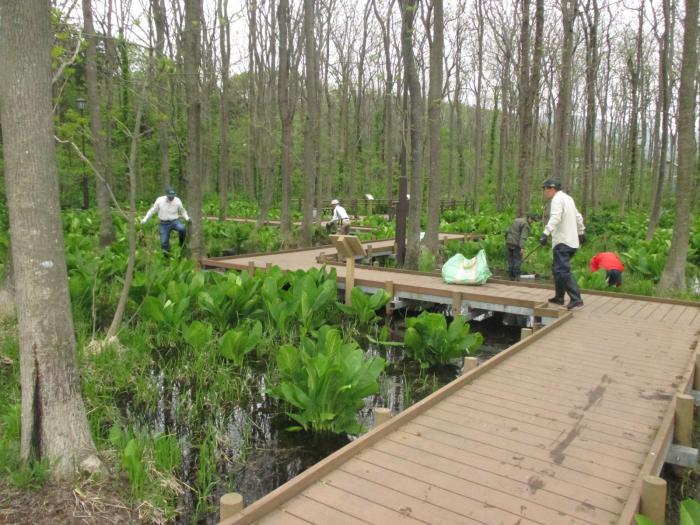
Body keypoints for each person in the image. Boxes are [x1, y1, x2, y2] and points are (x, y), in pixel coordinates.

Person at [539, 178, 586, 310]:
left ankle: (576, 299)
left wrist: (545, 233)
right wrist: (581, 232)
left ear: (552, 188)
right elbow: (578, 217)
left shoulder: (557, 199)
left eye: (546, 188)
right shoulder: (568, 199)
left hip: (563, 242)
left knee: (562, 271)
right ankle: (559, 297)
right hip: (572, 242)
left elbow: (556, 217)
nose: (544, 191)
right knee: (557, 269)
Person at [140, 187, 191, 253]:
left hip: (175, 221)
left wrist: (187, 217)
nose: (171, 198)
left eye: (173, 196)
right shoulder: (160, 200)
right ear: (166, 195)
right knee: (164, 242)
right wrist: (145, 219)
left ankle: (181, 245)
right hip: (163, 224)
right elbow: (152, 211)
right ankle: (167, 255)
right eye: (170, 196)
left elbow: (182, 211)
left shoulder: (177, 200)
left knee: (182, 228)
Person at [505, 213, 539, 280]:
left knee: (511, 260)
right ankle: (517, 277)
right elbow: (523, 237)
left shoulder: (516, 220)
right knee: (517, 260)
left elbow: (508, 231)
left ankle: (511, 276)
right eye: (532, 220)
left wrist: (507, 239)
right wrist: (522, 248)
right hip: (516, 244)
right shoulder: (525, 225)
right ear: (529, 218)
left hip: (509, 242)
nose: (532, 222)